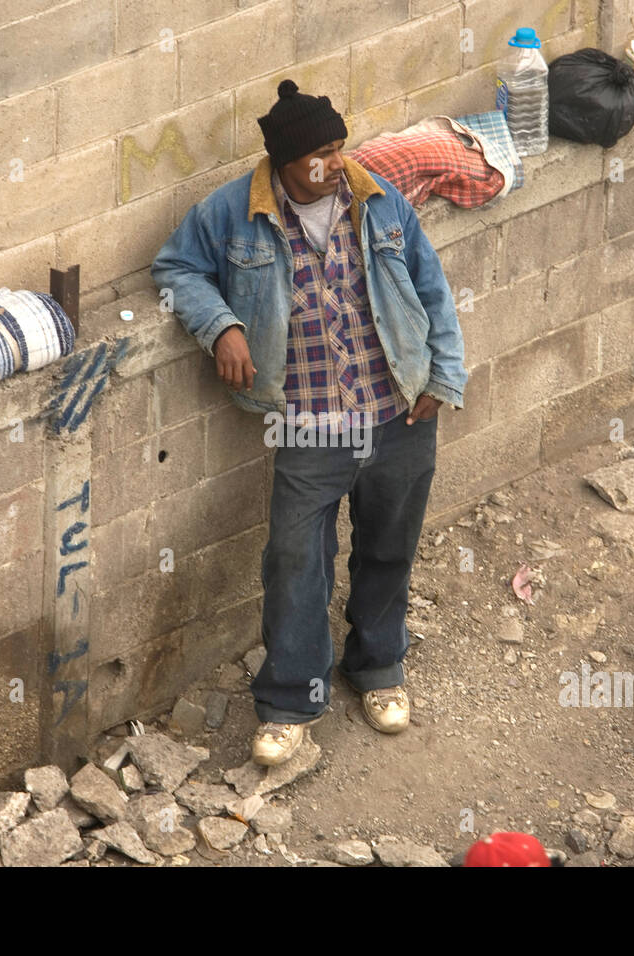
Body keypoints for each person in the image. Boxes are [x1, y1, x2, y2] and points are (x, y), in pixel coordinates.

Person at [151, 80, 466, 765]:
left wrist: (442, 377)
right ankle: (292, 700)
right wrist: (220, 326)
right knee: (296, 561)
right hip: (309, 425)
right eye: (318, 155)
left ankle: (378, 668)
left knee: (389, 546)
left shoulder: (377, 200)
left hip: (398, 410)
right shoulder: (234, 212)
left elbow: (433, 290)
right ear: (283, 162)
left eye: (338, 148)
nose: (333, 165)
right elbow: (175, 268)